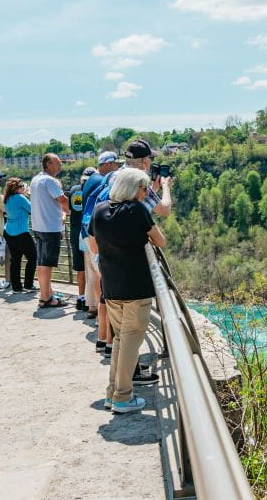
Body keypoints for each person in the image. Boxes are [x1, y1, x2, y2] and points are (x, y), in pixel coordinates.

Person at [87, 167, 166, 413]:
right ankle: (122, 396)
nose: (146, 194)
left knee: (121, 339)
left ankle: (113, 393)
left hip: (111, 285)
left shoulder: (100, 210)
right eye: (145, 188)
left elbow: (94, 247)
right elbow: (160, 240)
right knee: (131, 340)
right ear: (134, 188)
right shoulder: (136, 210)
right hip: (136, 286)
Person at [80, 151, 121, 347]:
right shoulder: (104, 186)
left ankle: (102, 338)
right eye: (115, 164)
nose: (117, 167)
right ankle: (108, 340)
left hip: (90, 238)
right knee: (107, 291)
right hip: (98, 242)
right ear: (106, 164)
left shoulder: (94, 182)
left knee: (102, 289)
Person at [30, 153, 69, 307]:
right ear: (49, 164)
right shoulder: (49, 181)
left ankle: (46, 294)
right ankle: (46, 298)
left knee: (41, 263)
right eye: (58, 162)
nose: (60, 165)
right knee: (47, 264)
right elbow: (63, 200)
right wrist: (69, 211)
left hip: (38, 226)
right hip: (50, 227)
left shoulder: (36, 179)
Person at [69, 166, 97, 312]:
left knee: (80, 267)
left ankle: (81, 298)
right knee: (92, 268)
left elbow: (71, 209)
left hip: (75, 232)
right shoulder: (94, 190)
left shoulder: (74, 190)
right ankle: (93, 302)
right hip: (88, 233)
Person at [3, 176, 37, 293]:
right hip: (21, 232)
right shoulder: (20, 198)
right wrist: (27, 196)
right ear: (17, 188)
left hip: (9, 231)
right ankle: (28, 284)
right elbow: (33, 209)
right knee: (33, 258)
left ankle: (16, 287)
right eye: (22, 186)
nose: (24, 188)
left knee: (16, 260)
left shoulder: (7, 198)